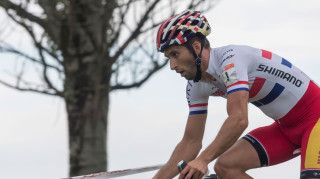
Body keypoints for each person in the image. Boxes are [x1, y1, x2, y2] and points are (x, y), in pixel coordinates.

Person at [153, 9, 320, 179]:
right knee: (226, 167)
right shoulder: (195, 86)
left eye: (175, 54)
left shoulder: (230, 61)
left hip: (316, 120)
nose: (172, 66)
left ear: (196, 47)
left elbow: (239, 119)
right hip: (285, 129)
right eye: (168, 58)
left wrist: (202, 160)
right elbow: (191, 142)